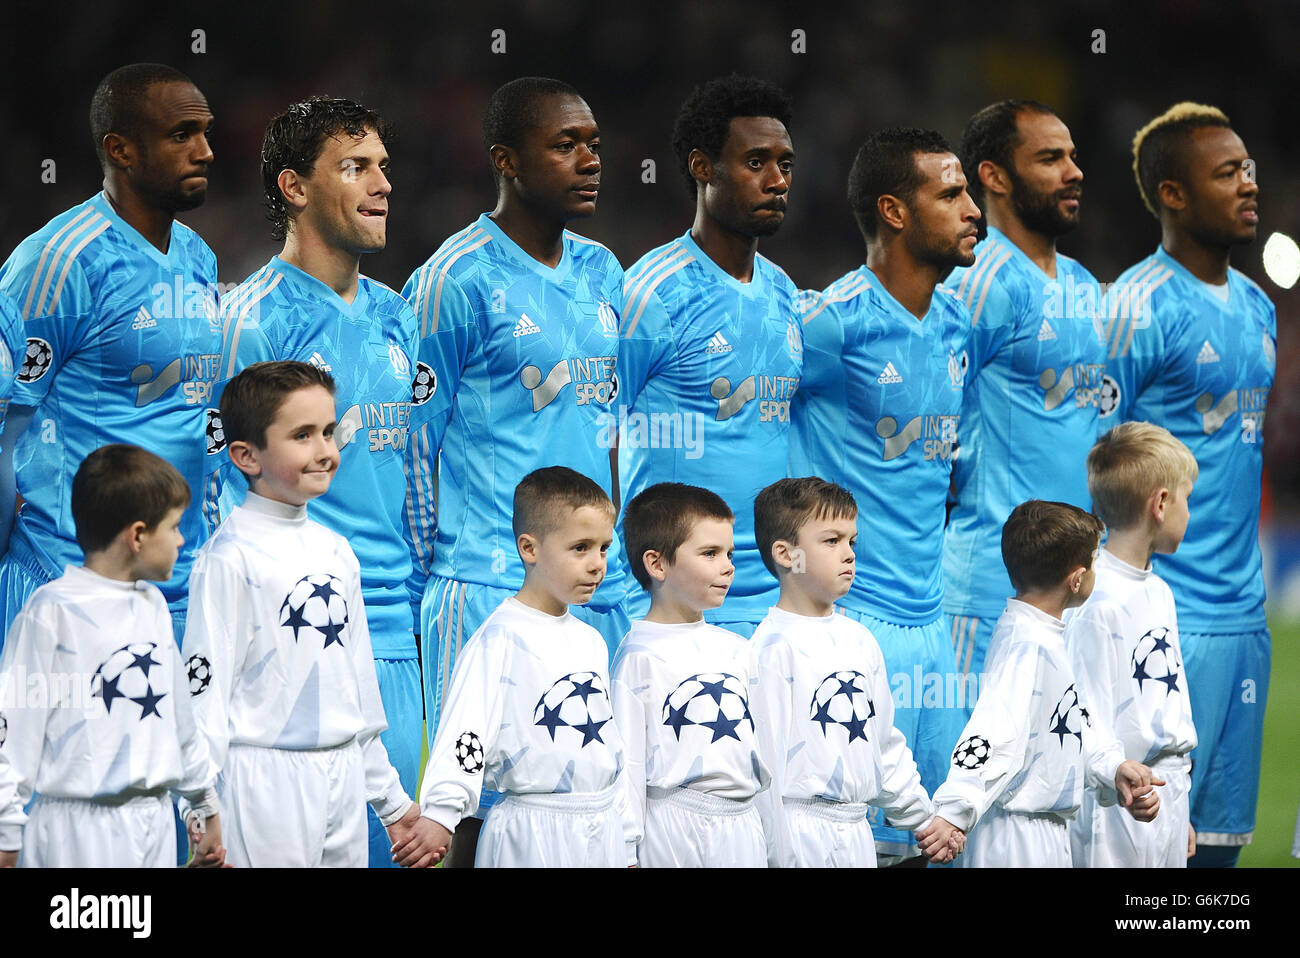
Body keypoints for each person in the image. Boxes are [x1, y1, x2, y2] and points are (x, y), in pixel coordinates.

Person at [402, 78, 628, 863]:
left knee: (576, 798)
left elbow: (610, 429)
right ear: (505, 159)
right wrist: (445, 567)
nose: (590, 160)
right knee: (469, 807)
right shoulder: (452, 279)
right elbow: (411, 445)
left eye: (594, 144)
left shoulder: (605, 273)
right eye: (565, 145)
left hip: (589, 584)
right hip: (485, 580)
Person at [208, 97, 420, 867]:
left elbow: (415, 478)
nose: (382, 185)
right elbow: (210, 488)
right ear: (295, 187)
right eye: (356, 167)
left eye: (384, 168)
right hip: (288, 641)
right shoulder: (248, 321)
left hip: (394, 636)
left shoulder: (400, 317)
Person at [790, 127, 977, 864]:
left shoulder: (960, 323)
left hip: (933, 630)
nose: (972, 210)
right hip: (850, 624)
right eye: (951, 194)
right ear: (895, 211)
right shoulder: (830, 324)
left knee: (940, 848)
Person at [183, 361, 439, 868]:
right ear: (246, 455)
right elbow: (202, 699)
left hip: (342, 781)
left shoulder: (338, 551)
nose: (325, 450)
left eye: (328, 431)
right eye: (303, 435)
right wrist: (201, 808)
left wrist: (391, 802)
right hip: (263, 785)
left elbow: (357, 696)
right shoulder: (228, 558)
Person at [0, 63, 219, 648]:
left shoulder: (200, 258)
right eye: (181, 135)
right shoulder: (59, 262)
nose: (205, 151)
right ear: (120, 149)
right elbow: (5, 423)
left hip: (175, 591)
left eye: (205, 132)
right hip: (69, 584)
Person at [1107, 103, 1273, 866]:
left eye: (1247, 167)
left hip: (1244, 617)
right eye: (1227, 171)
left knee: (1220, 848)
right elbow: (1091, 456)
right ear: (1173, 194)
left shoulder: (1260, 307)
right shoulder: (1135, 307)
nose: (1250, 183)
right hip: (1162, 618)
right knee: (1146, 847)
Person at [619, 74, 802, 636]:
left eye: (786, 165)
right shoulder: (651, 291)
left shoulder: (785, 293)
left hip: (773, 600)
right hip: (676, 605)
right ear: (702, 168)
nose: (777, 181)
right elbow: (594, 427)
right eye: (755, 163)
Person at [941, 100, 1109, 684]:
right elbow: (936, 418)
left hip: (1073, 587)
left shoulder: (1086, 286)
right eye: (1050, 159)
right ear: (994, 177)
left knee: (1068, 771)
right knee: (975, 770)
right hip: (993, 587)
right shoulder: (977, 281)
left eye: (1073, 157)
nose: (1074, 171)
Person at [0, 444, 225, 867]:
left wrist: (203, 802)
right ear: (138, 535)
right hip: (74, 835)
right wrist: (6, 837)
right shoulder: (51, 613)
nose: (182, 539)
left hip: (153, 825)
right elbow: (14, 736)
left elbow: (179, 717)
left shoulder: (154, 607)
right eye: (174, 526)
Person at [919, 500, 1162, 867]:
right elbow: (994, 730)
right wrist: (955, 809)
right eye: (1095, 559)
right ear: (1077, 578)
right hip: (1017, 841)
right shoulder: (1026, 645)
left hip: (1040, 833)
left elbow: (1064, 721)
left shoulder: (1040, 634)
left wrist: (1111, 767)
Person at [415, 467, 632, 868]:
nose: (596, 564)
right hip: (530, 834)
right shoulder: (498, 638)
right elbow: (466, 731)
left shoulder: (592, 641)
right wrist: (442, 814)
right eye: (580, 547)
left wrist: (628, 836)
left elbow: (610, 747)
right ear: (529, 549)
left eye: (603, 548)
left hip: (600, 831)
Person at [748, 477, 956, 867]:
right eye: (831, 541)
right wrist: (774, 855)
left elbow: (885, 747)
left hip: (855, 832)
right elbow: (764, 772)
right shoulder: (770, 649)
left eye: (851, 541)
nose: (848, 554)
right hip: (798, 837)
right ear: (787, 554)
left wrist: (925, 821)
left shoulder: (860, 639)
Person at [611, 482, 768, 867]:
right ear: (657, 564)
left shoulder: (738, 649)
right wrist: (626, 852)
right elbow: (626, 766)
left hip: (743, 829)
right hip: (672, 834)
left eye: (729, 553)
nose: (728, 565)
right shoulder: (636, 656)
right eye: (710, 553)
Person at [1066, 422, 1199, 867]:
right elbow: (1085, 717)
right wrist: (1123, 781)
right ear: (1161, 504)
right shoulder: (1095, 600)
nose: (1189, 513)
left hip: (1167, 797)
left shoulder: (1158, 590)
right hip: (1119, 808)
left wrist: (1178, 808)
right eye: (1187, 498)